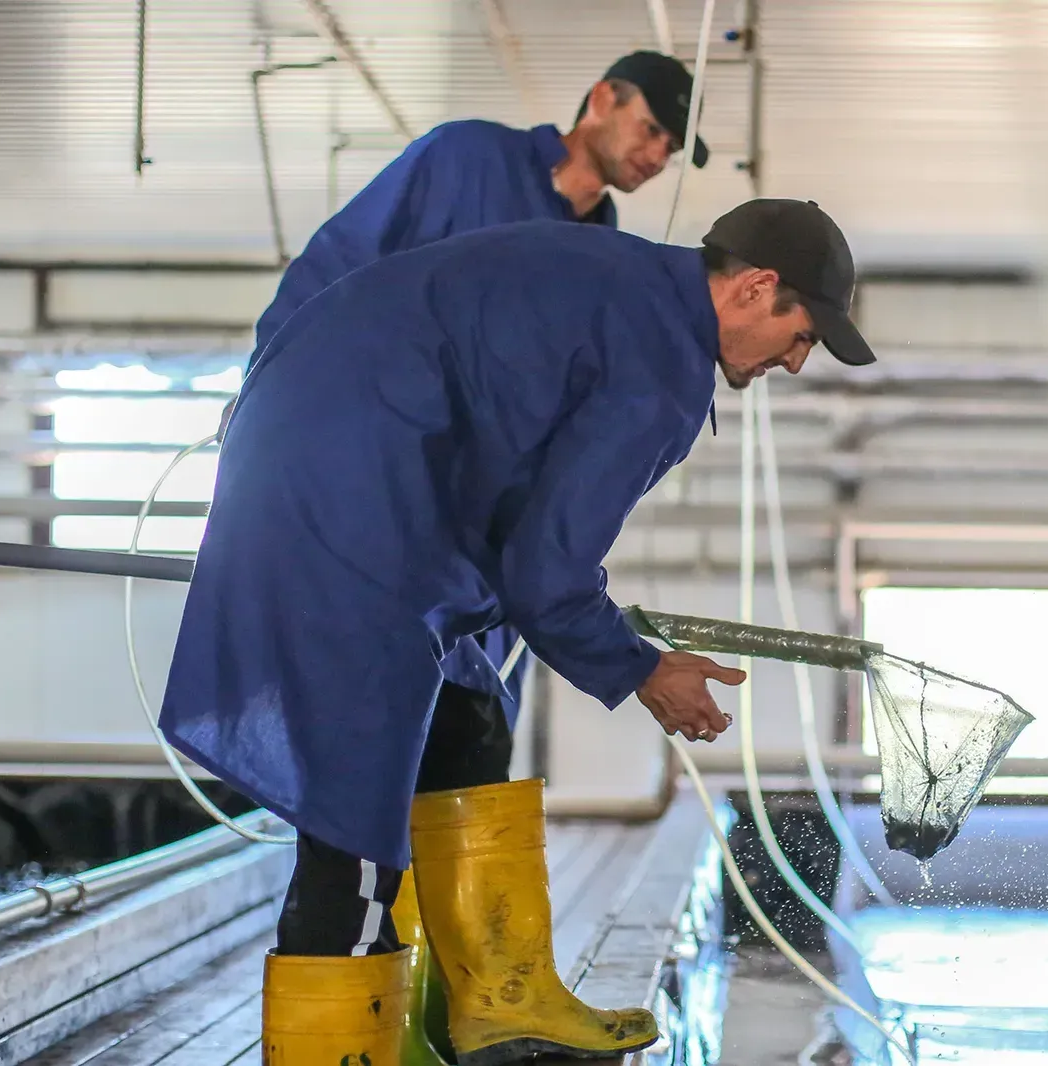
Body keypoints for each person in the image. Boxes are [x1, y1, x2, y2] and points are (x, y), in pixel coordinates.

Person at [161, 198, 876, 1064]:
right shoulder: (659, 363)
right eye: (802, 336)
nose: (795, 362)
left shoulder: (619, 284)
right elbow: (545, 575)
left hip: (332, 467)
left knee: (468, 716)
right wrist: (642, 670)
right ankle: (336, 1050)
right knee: (355, 823)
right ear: (757, 288)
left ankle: (503, 1003)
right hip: (352, 512)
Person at [230, 49, 711, 725]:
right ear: (603, 98)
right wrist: (265, 389)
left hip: (477, 573)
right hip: (378, 507)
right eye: (653, 130)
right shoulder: (467, 159)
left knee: (472, 753)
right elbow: (340, 265)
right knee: (350, 738)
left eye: (672, 148)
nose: (659, 155)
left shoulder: (608, 265)